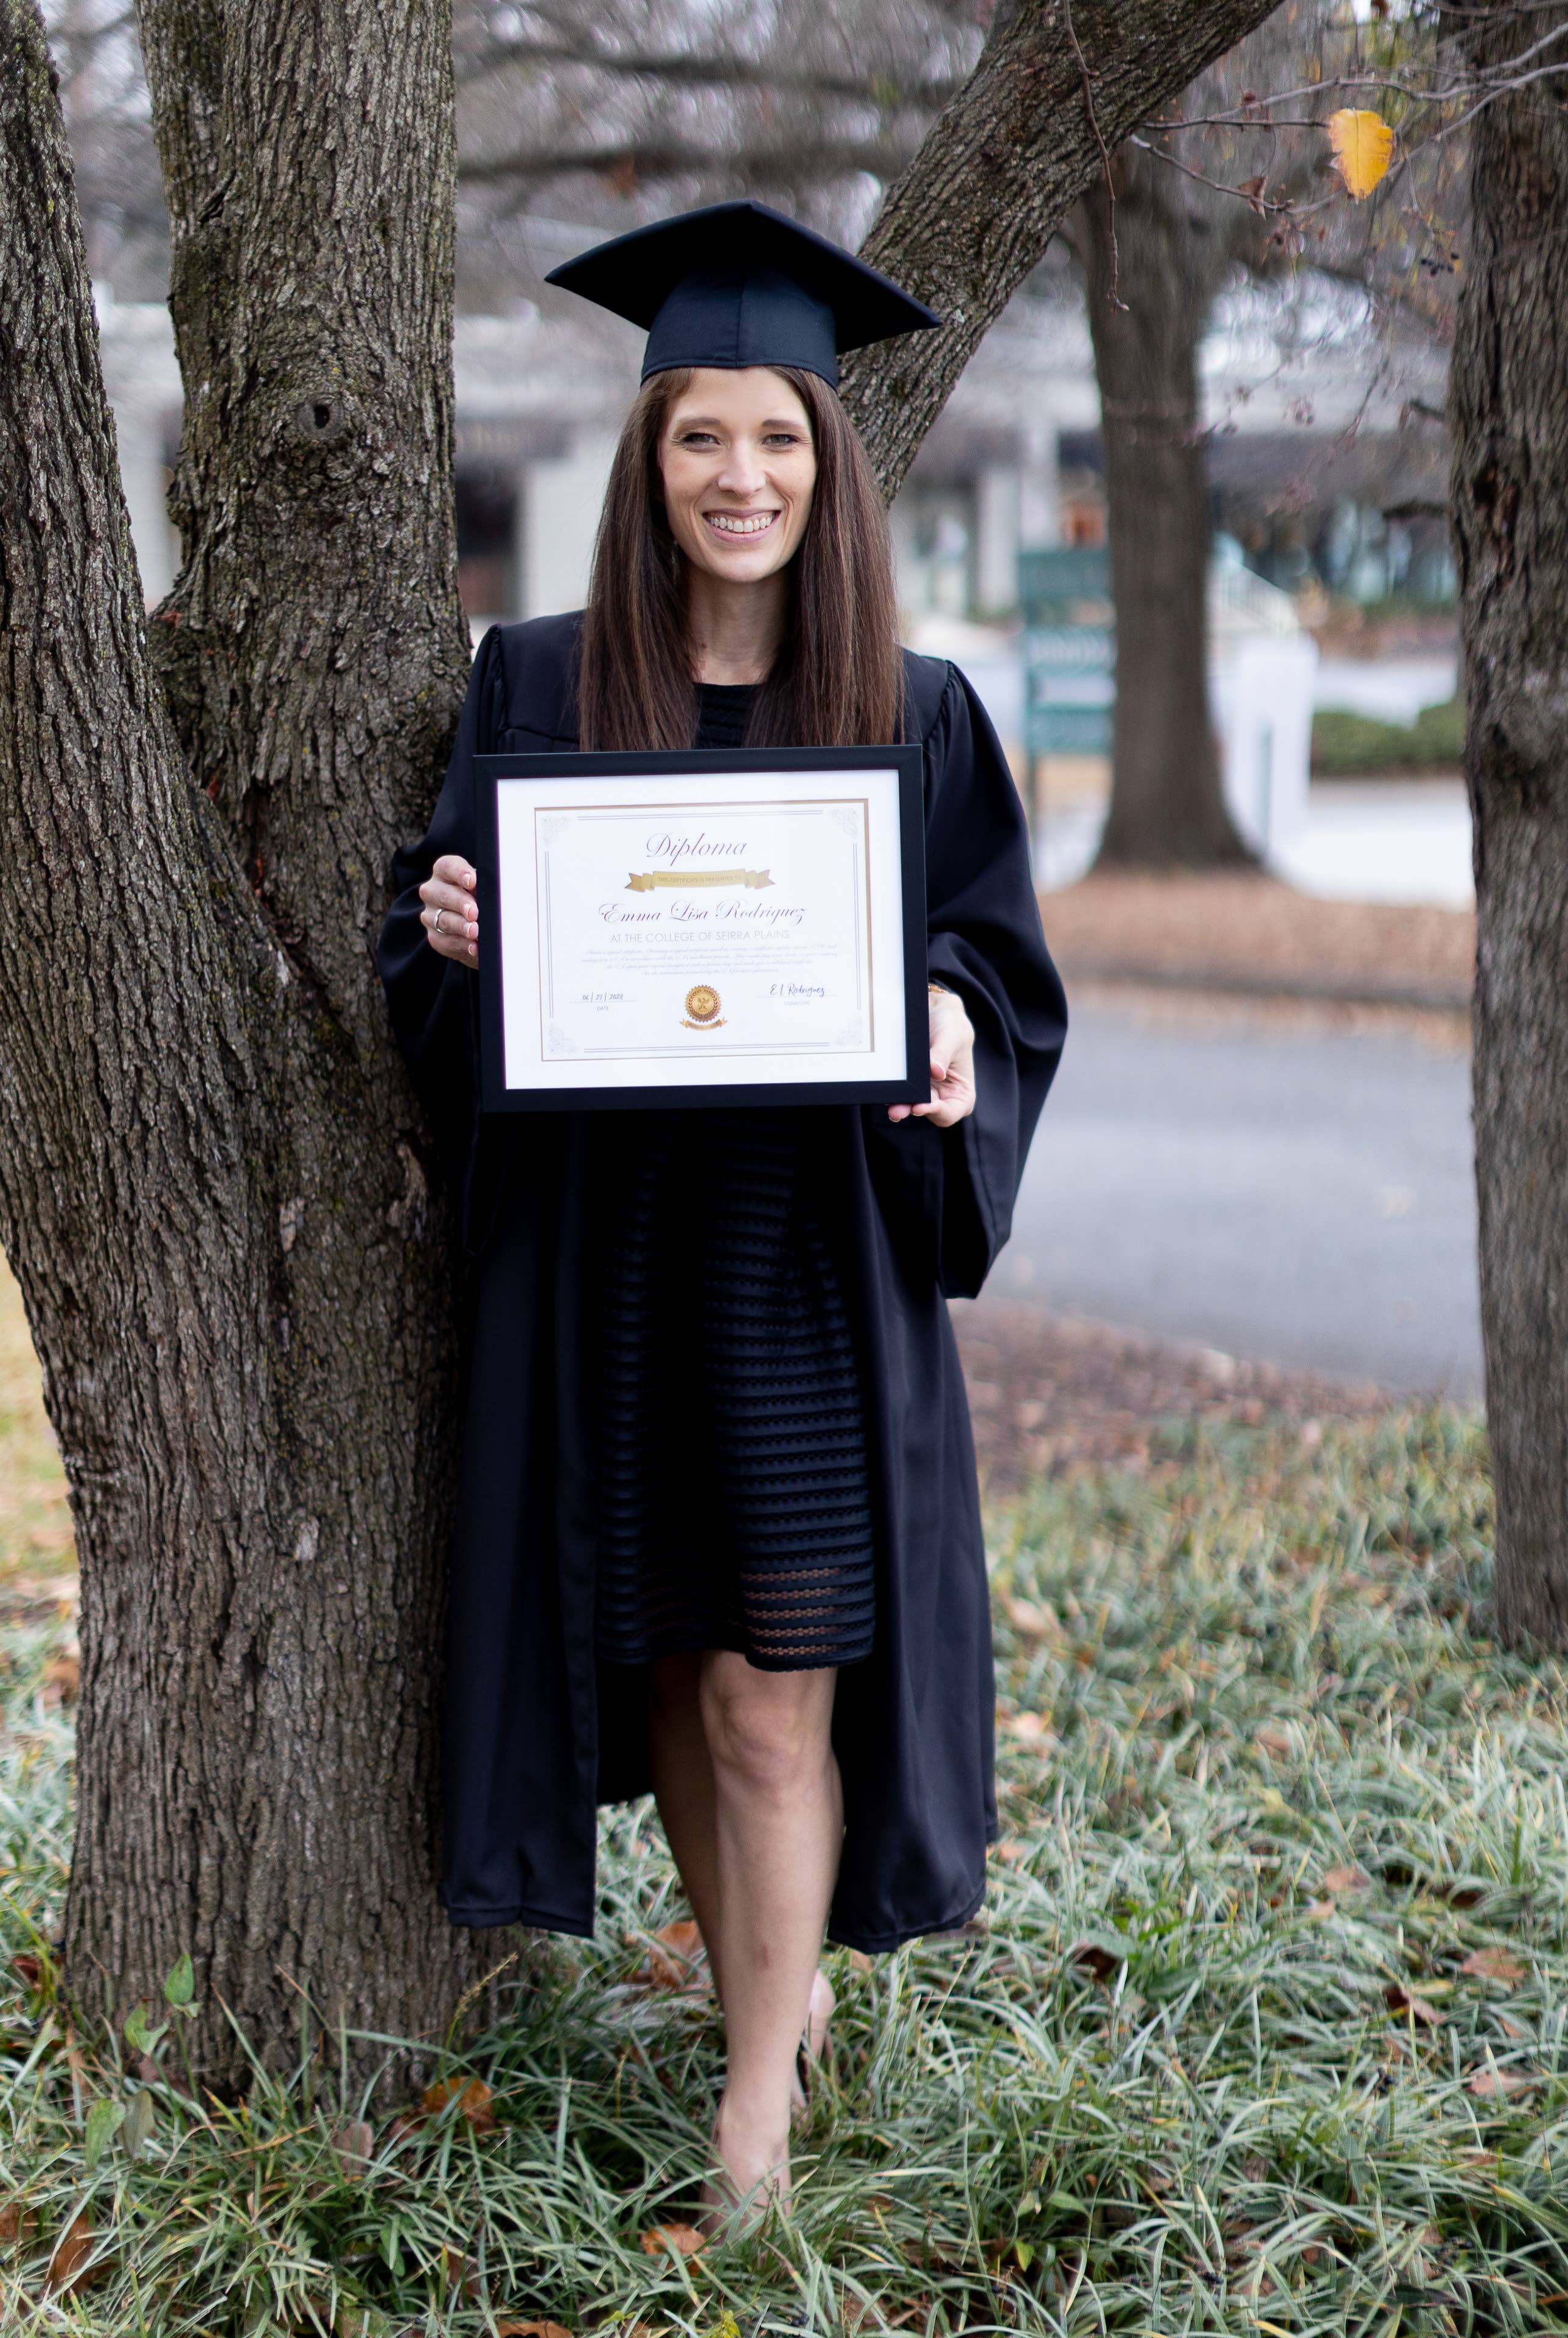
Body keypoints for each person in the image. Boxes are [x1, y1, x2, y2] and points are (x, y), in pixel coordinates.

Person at [377, 200, 1067, 2222]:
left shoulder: (916, 711)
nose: (738, 477)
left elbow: (998, 975)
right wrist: (448, 931)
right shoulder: (529, 684)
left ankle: (753, 2119)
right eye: (698, 438)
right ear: (647, 460)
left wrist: (948, 1025)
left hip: (803, 1274)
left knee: (776, 1689)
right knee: (671, 1664)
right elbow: (434, 991)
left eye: (774, 438)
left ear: (827, 465)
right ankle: (769, 2008)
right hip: (607, 1255)